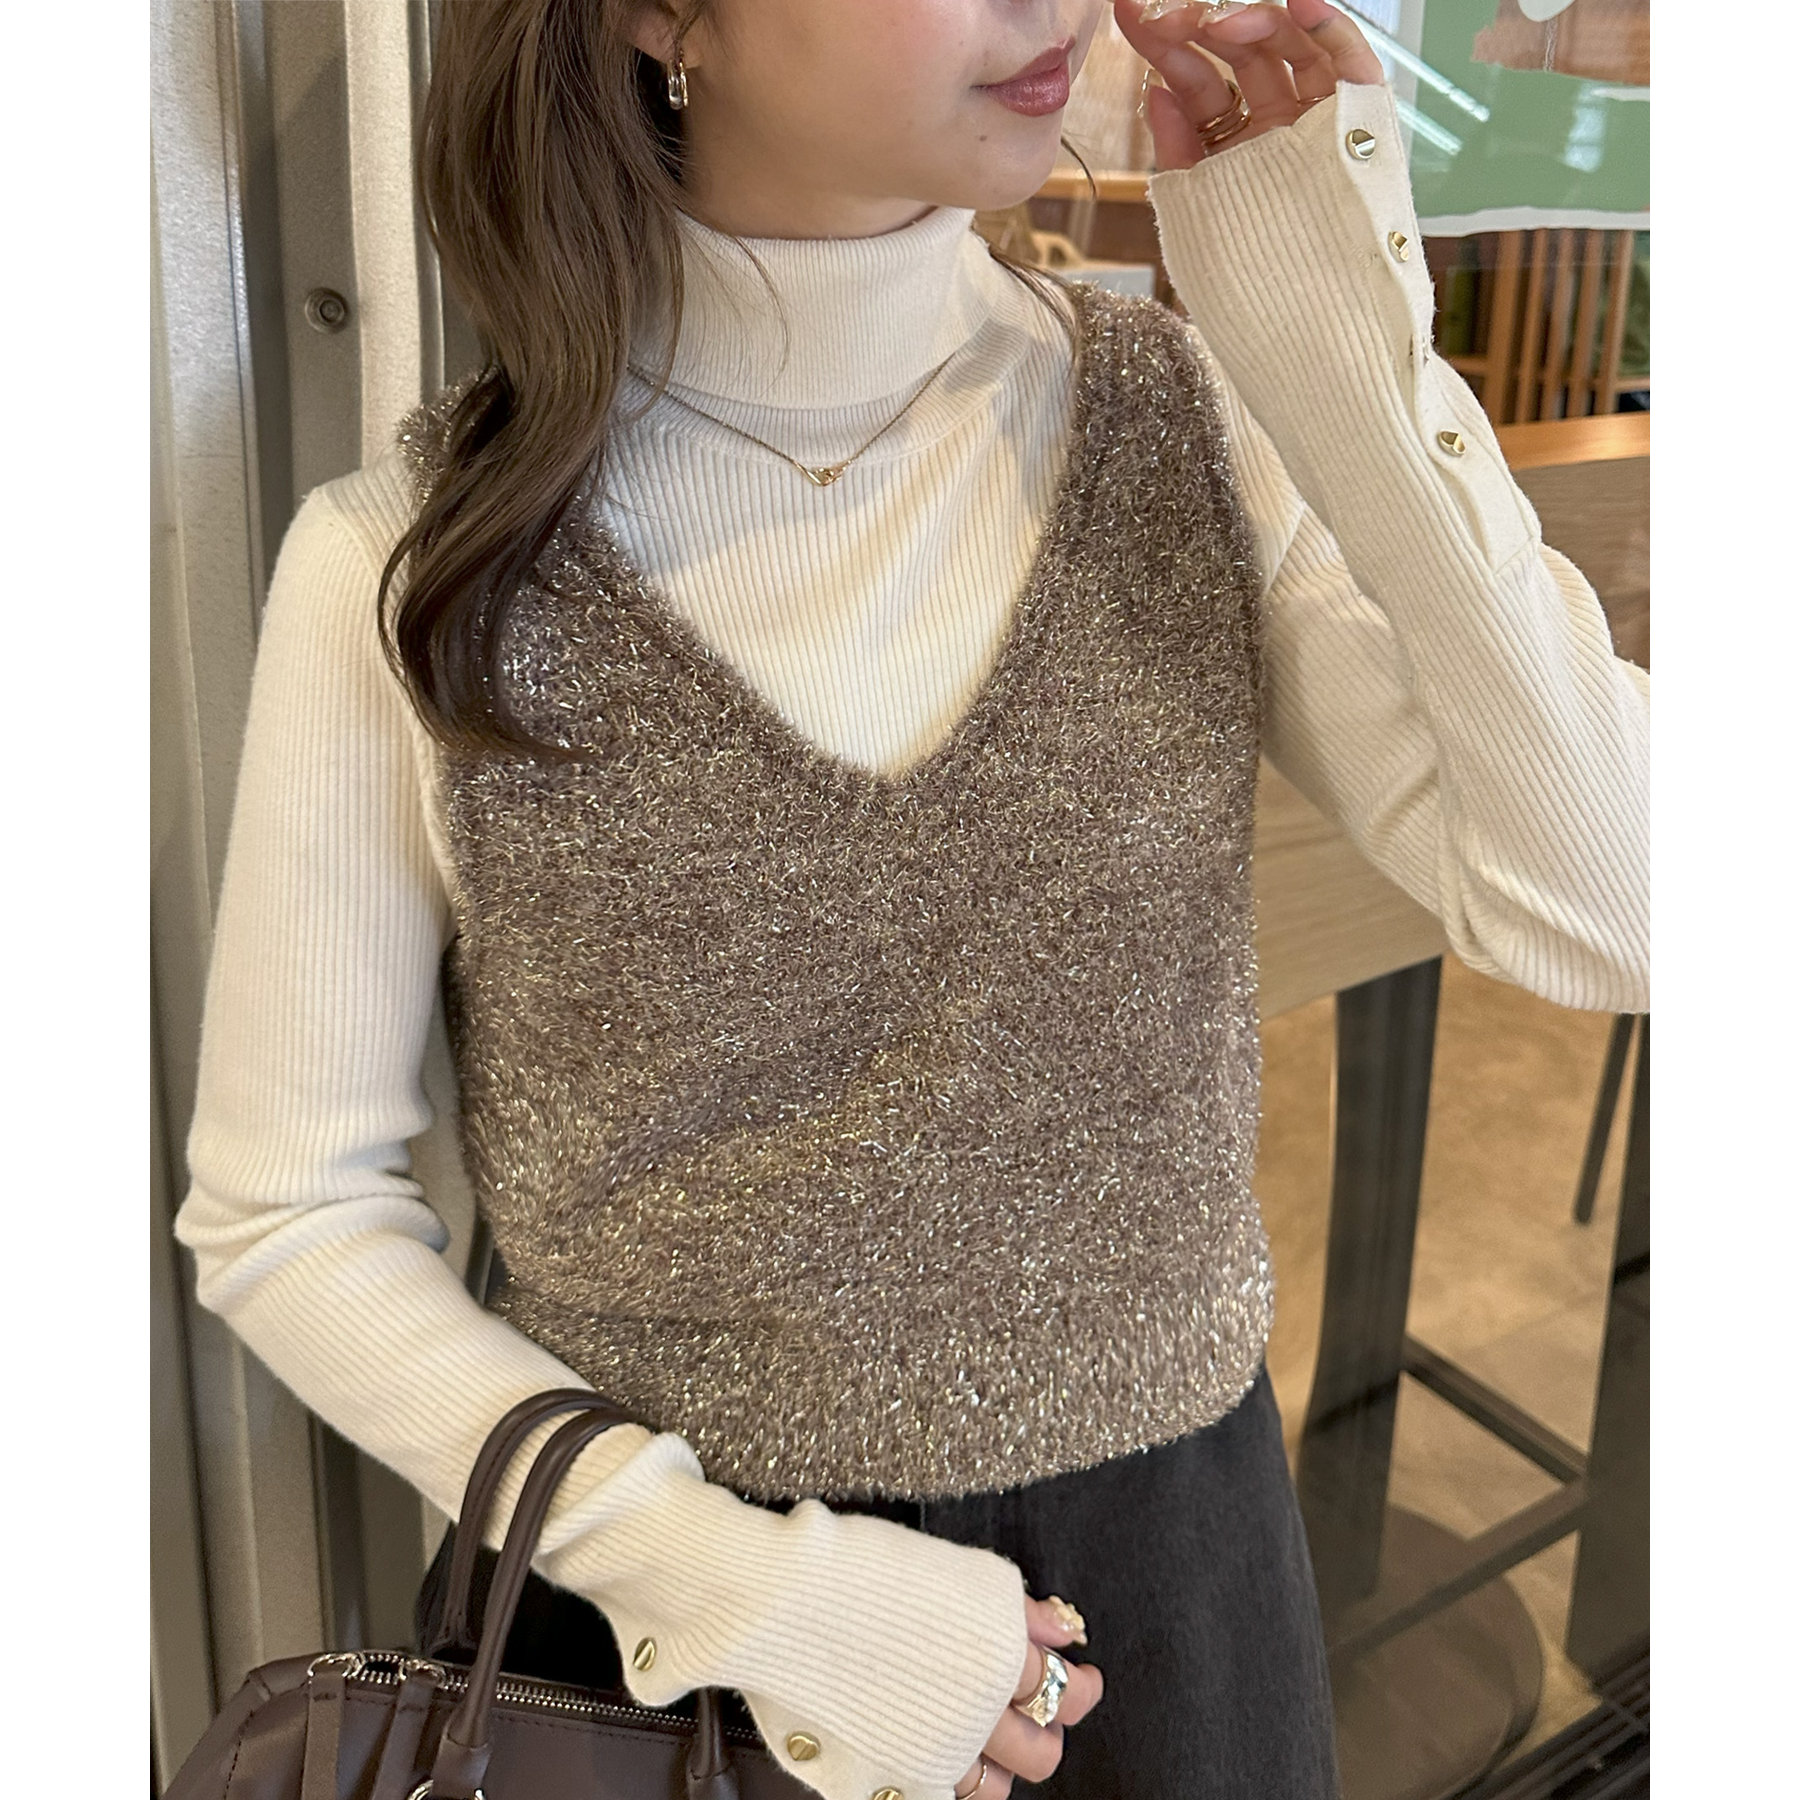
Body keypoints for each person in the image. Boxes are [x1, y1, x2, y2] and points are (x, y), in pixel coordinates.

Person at [173, 1, 1650, 1796]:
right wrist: (746, 1593)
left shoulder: (1188, 426)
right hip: (655, 1651)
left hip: (1173, 1605)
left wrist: (1349, 342)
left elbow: (1621, 903)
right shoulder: (417, 559)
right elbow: (287, 1212)